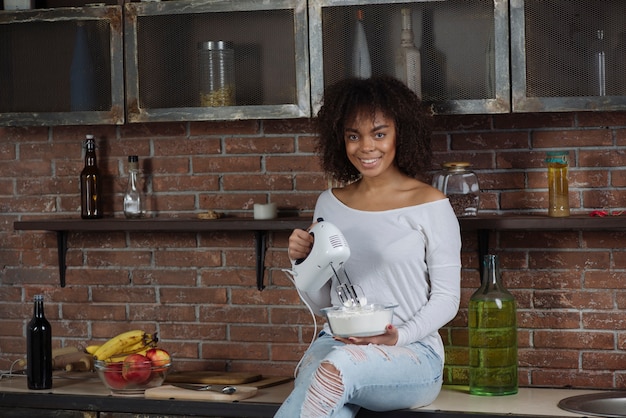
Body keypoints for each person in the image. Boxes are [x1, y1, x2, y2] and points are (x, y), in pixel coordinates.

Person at [274, 76, 461, 418]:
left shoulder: (430, 205)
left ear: (399, 134)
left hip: (411, 353)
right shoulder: (329, 204)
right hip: (337, 345)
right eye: (353, 136)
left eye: (378, 133)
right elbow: (324, 304)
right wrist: (302, 261)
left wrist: (397, 336)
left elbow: (447, 299)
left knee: (335, 369)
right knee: (327, 387)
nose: (366, 147)